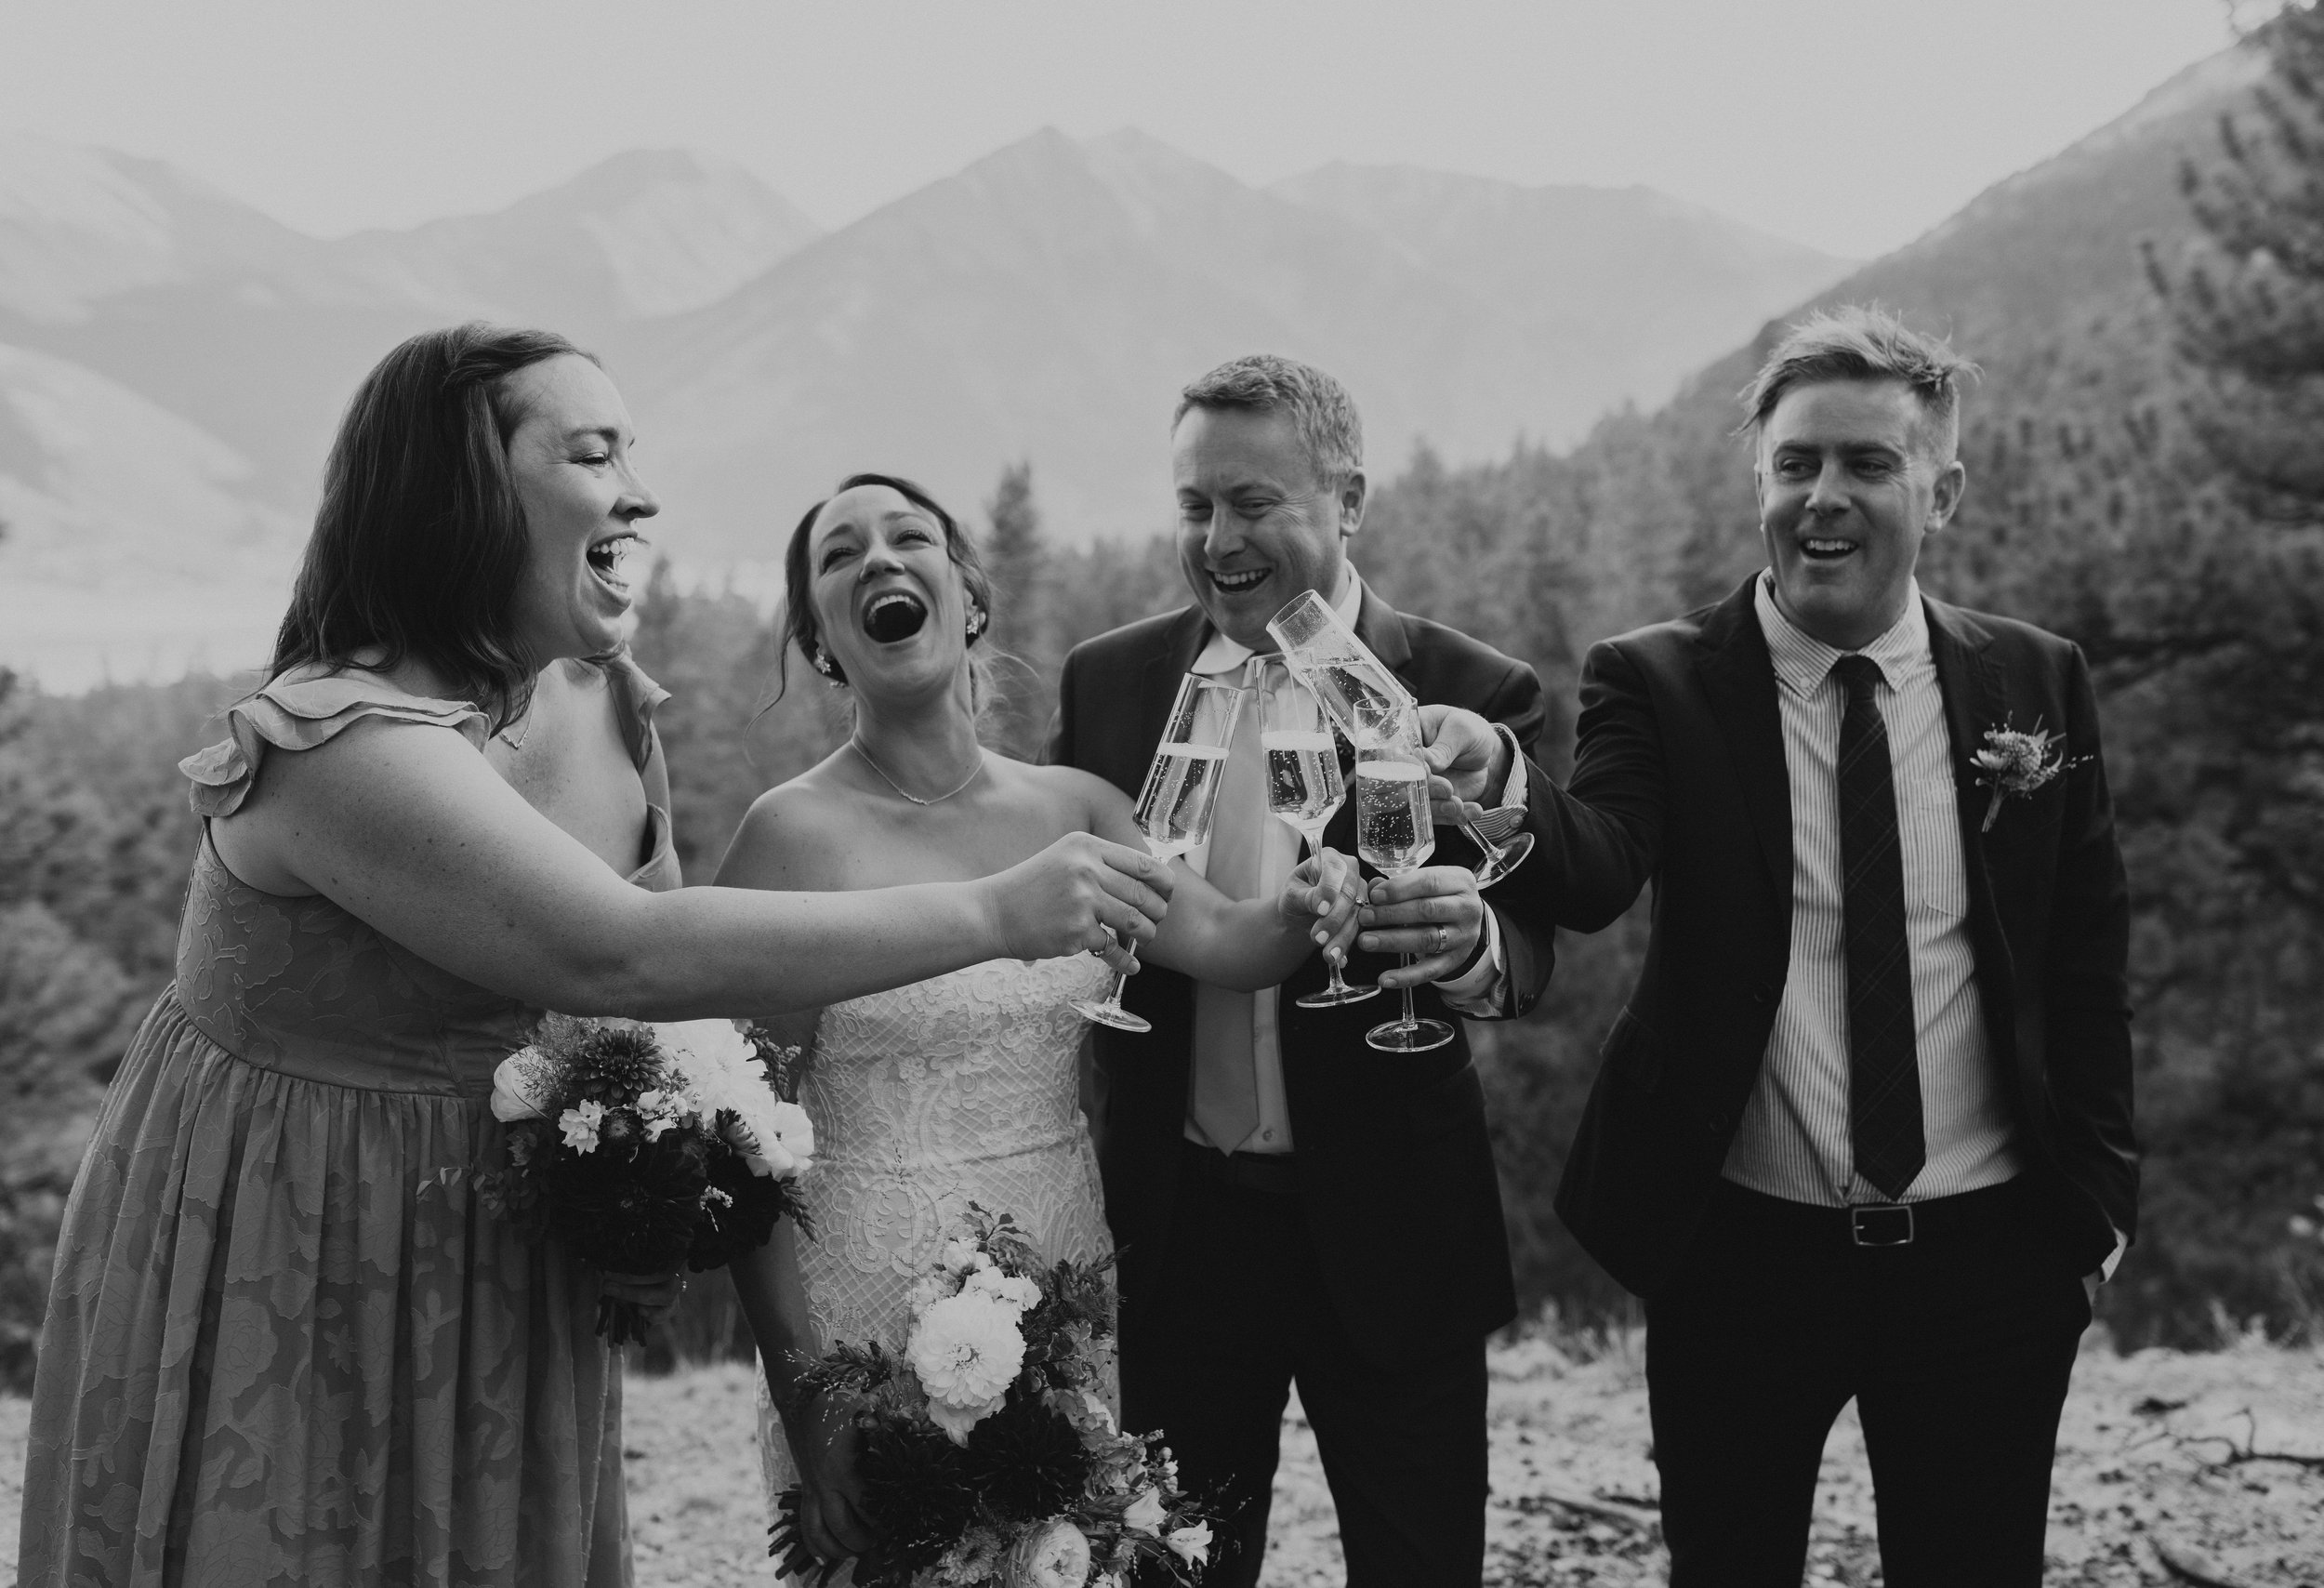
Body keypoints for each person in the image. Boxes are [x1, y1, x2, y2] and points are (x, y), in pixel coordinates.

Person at [17, 328, 1170, 1588]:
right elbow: (625, 957)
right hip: (295, 1249)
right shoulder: (341, 746)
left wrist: (656, 1180)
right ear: (464, 492)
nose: (640, 493)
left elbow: (673, 1039)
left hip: (500, 1267)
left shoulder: (601, 700)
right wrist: (998, 913)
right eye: (592, 452)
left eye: (635, 451)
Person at [1544, 306, 2137, 1586]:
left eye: (1867, 464)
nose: (1825, 496)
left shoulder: (2035, 682)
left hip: (1989, 1258)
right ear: (1759, 482)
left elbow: (2087, 959)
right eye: (1795, 464)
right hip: (1740, 1255)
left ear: (1945, 491)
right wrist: (1486, 778)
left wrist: (2096, 1219)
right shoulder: (1659, 682)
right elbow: (1590, 869)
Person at [709, 473, 1362, 1577]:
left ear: (966, 597)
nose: (877, 559)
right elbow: (745, 1149)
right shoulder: (791, 837)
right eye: (839, 555)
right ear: (821, 641)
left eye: (908, 536)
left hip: (1062, 1280)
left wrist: (1310, 899)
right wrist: (807, 1403)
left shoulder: (1077, 807)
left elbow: (1235, 943)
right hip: (859, 1305)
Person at [1048, 354, 1573, 1585]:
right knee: (1171, 1574)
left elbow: (1542, 935)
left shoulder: (1466, 688)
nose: (1219, 537)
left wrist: (1476, 951)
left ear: (1349, 501)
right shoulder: (1110, 682)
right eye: (1194, 506)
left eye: (1254, 502)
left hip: (1394, 1230)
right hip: (1179, 1236)